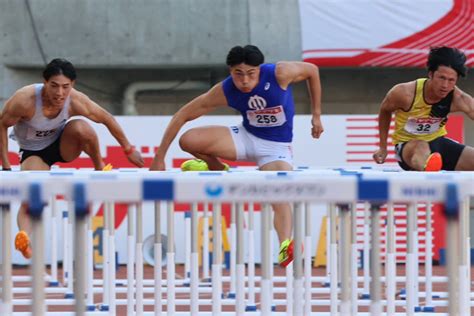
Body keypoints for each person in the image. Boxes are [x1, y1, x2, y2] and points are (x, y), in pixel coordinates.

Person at [150, 45, 323, 267]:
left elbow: (312, 70)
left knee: (277, 191)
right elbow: (182, 114)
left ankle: (284, 245)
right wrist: (159, 156)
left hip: (276, 148)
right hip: (244, 137)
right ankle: (216, 166)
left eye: (251, 74)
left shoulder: (280, 73)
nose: (244, 81)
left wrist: (316, 114)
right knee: (189, 140)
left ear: (260, 69)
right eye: (237, 74)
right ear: (230, 71)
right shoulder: (225, 90)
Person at [0, 58, 144, 258]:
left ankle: (99, 168)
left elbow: (106, 119)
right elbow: (2, 124)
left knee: (82, 127)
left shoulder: (75, 100)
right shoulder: (25, 100)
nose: (59, 93)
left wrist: (128, 150)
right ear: (45, 82)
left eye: (65, 87)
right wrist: (6, 166)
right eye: (54, 86)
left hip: (62, 145)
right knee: (32, 196)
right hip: (33, 152)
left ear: (72, 85)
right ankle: (24, 236)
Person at [373, 46, 474, 171]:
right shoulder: (404, 93)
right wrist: (383, 147)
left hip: (438, 143)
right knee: (421, 147)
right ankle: (429, 169)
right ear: (431, 74)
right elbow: (385, 110)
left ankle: (433, 166)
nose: (445, 86)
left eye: (451, 80)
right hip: (408, 146)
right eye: (441, 78)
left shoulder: (458, 98)